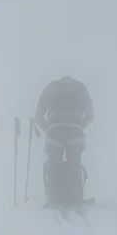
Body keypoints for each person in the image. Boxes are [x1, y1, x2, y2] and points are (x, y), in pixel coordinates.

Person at [33, 76, 94, 209]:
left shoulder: (51, 88)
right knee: (74, 165)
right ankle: (75, 200)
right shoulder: (80, 87)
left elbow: (38, 116)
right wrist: (79, 126)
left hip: (55, 131)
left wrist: (48, 128)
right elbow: (90, 115)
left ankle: (54, 200)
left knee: (54, 164)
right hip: (75, 132)